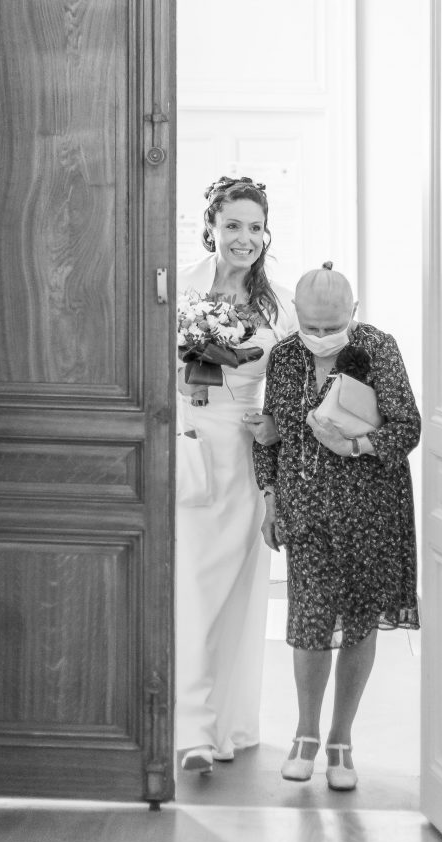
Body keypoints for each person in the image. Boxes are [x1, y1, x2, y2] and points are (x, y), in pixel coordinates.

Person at [253, 263, 420, 791]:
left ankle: (341, 739)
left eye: (333, 325)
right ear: (296, 315)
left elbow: (407, 426)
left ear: (353, 312)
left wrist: (355, 444)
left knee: (360, 622)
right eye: (313, 325)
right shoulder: (283, 357)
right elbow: (272, 437)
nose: (323, 337)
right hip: (305, 510)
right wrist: (270, 500)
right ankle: (304, 733)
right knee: (308, 623)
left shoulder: (378, 348)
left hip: (371, 510)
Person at [176, 175, 297, 774]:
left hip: (248, 460)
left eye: (254, 227)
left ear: (266, 233)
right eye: (233, 226)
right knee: (191, 589)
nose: (244, 238)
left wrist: (274, 429)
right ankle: (189, 730)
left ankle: (226, 723)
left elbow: (298, 390)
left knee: (236, 596)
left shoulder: (283, 307)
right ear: (212, 229)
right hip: (192, 448)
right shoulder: (179, 289)